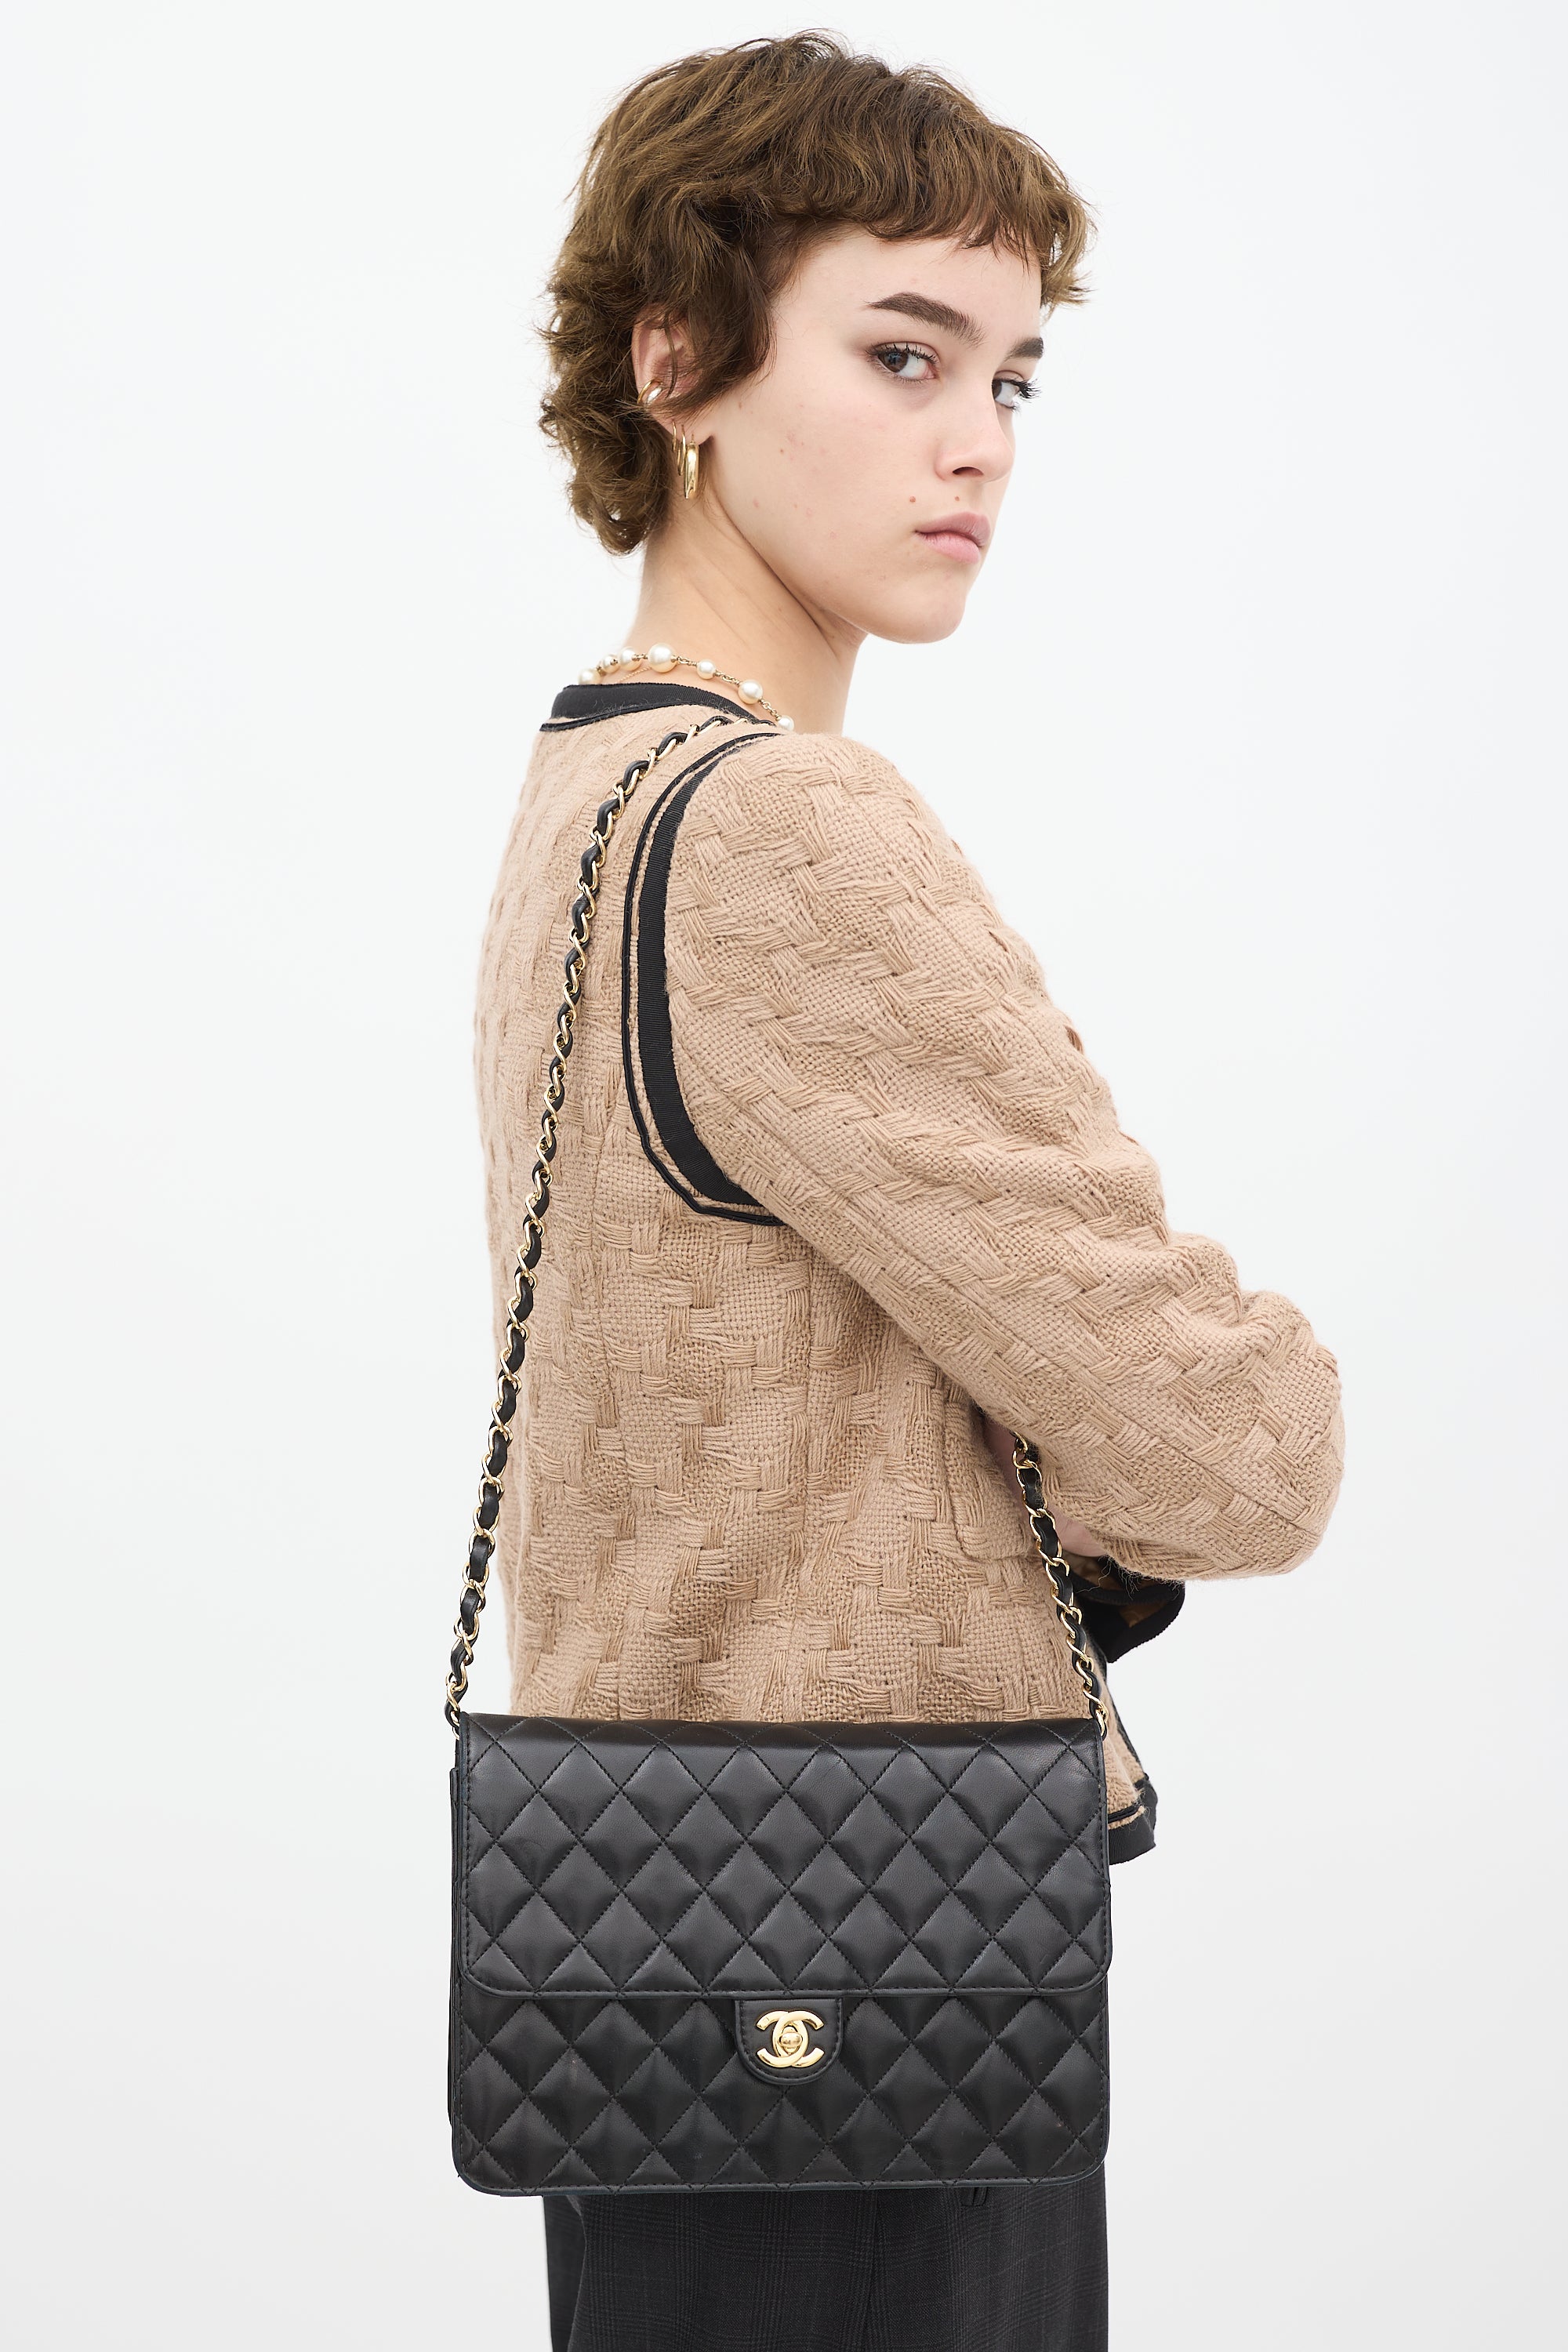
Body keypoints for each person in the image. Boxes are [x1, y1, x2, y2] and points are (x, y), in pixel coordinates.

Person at [473, 33, 1344, 2352]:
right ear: (677, 358)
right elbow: (1238, 1450)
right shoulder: (781, 825)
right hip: (872, 1955)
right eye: (902, 353)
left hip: (648, 1938)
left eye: (1016, 377)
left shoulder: (588, 791)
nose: (982, 442)